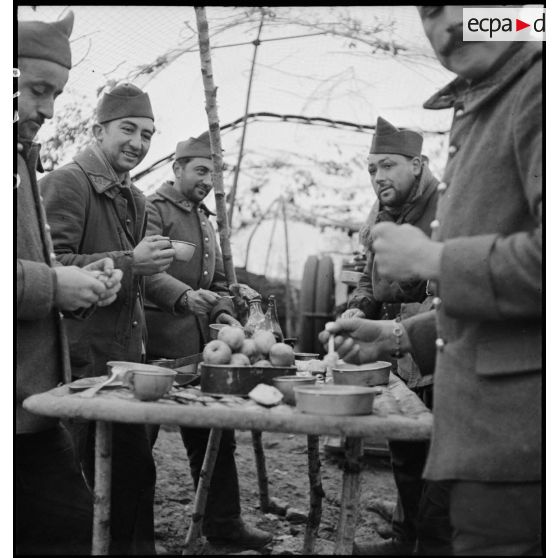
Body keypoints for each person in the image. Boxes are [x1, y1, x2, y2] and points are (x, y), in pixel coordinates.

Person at [321, 6, 542, 556]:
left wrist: (432, 260)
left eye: (388, 167)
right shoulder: (486, 102)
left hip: (520, 437)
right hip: (486, 429)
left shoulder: (541, 87)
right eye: (430, 10)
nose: (449, 24)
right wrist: (394, 335)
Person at [40, 83, 176, 555]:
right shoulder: (67, 182)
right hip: (81, 363)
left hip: (122, 363)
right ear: (98, 130)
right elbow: (50, 268)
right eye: (129, 130)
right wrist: (129, 260)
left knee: (134, 473)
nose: (138, 143)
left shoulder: (135, 199)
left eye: (148, 134)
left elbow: (139, 272)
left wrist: (183, 295)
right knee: (85, 488)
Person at [16, 11, 123, 555]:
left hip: (30, 407)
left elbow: (40, 262)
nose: (48, 110)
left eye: (55, 94)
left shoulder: (17, 162)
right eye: (37, 89)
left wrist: (77, 284)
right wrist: (52, 286)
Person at [144, 132, 272, 549]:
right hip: (156, 347)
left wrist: (223, 311)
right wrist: (182, 296)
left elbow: (214, 282)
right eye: (201, 170)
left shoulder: (205, 219)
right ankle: (132, 532)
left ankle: (224, 522)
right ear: (177, 169)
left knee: (215, 435)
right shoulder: (153, 209)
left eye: (214, 172)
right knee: (137, 441)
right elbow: (145, 271)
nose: (208, 179)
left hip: (202, 350)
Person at [341, 117, 450, 556]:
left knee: (439, 461)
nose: (378, 177)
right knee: (404, 450)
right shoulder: (381, 211)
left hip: (439, 348)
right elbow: (370, 278)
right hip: (394, 349)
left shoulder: (446, 207)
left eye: (388, 165)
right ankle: (407, 540)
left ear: (418, 164)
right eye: (371, 169)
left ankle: (429, 543)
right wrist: (359, 305)